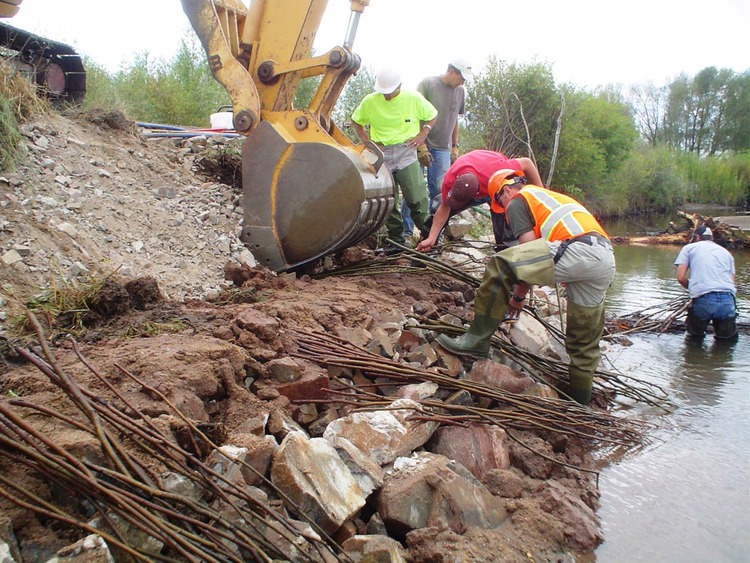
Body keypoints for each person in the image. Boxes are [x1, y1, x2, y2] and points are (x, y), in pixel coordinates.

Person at [436, 169, 616, 405]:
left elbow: (525, 254)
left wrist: (518, 298)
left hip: (580, 250)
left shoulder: (518, 200)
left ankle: (476, 341)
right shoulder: (549, 198)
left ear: (507, 190)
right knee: (583, 344)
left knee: (501, 264)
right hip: (604, 259)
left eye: (500, 200)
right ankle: (579, 405)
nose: (504, 209)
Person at [351, 68, 437, 249]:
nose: (387, 95)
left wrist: (423, 135)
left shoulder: (413, 99)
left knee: (416, 197)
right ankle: (396, 241)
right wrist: (367, 141)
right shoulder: (370, 101)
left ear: (399, 86)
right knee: (388, 200)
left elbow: (432, 115)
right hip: (381, 153)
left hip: (405, 151)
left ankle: (429, 239)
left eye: (390, 91)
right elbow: (356, 120)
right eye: (384, 92)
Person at [415, 150, 543, 252]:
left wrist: (541, 192)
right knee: (436, 209)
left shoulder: (499, 170)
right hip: (474, 173)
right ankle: (428, 248)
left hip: (495, 183)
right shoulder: (451, 178)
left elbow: (527, 163)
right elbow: (444, 209)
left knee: (506, 228)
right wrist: (431, 237)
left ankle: (508, 259)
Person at [402, 59, 472, 236]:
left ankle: (433, 233)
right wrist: (421, 145)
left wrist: (455, 146)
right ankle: (406, 233)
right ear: (451, 71)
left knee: (441, 191)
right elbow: (414, 115)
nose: (463, 82)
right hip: (418, 144)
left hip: (443, 148)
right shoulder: (428, 84)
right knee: (413, 189)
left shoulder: (460, 91)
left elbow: (455, 119)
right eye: (461, 77)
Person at [674, 225, 737, 339]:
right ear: (711, 238)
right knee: (726, 343)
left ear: (697, 237)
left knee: (694, 340)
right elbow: (731, 281)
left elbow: (680, 277)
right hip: (727, 300)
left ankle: (695, 356)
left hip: (704, 300)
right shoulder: (726, 252)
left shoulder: (689, 248)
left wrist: (694, 289)